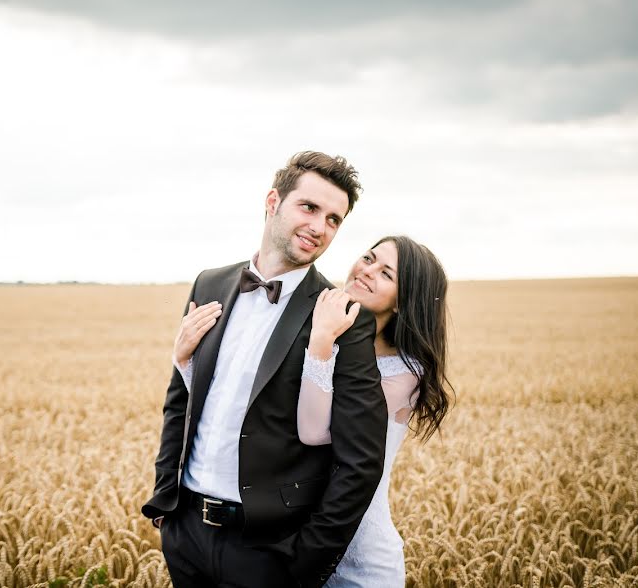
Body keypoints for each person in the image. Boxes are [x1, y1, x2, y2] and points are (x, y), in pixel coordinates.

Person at [142, 151, 388, 588]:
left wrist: (303, 562)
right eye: (309, 208)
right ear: (273, 201)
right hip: (186, 536)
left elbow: (361, 462)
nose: (320, 227)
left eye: (334, 219)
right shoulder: (210, 284)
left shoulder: (344, 316)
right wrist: (166, 501)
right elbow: (180, 399)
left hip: (269, 553)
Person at [175, 235, 453, 586]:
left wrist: (321, 343)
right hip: (290, 537)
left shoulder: (404, 374)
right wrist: (185, 361)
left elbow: (313, 432)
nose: (367, 271)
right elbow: (249, 409)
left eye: (386, 274)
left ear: (404, 300)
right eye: (368, 258)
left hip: (355, 548)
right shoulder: (331, 327)